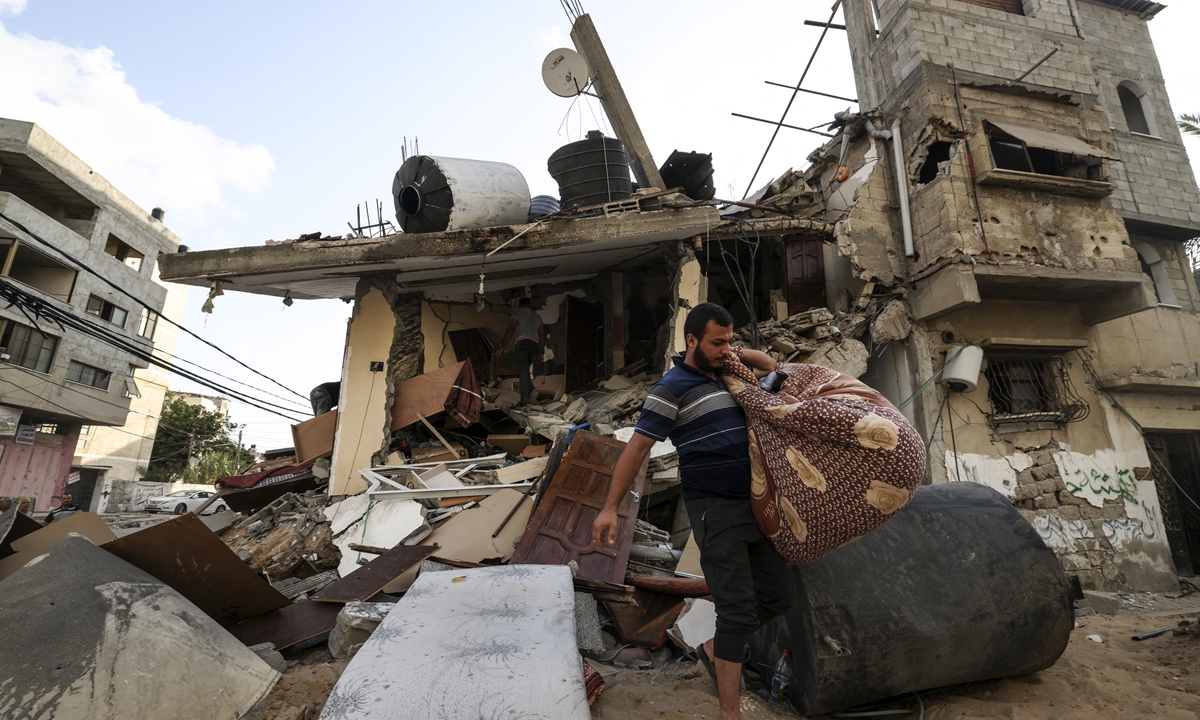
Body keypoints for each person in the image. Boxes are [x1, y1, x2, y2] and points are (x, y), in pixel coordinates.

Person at [592, 303, 790, 720]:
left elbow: (772, 365)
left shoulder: (727, 373)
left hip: (757, 505)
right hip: (714, 509)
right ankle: (730, 713)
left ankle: (715, 651)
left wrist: (733, 353)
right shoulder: (671, 388)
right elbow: (638, 449)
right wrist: (609, 508)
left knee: (777, 596)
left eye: (729, 341)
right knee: (736, 609)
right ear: (691, 341)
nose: (725, 349)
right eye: (716, 342)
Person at [496, 297, 546, 405]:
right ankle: (532, 391)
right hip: (534, 346)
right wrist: (541, 353)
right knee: (524, 371)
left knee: (522, 372)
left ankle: (524, 402)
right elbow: (542, 335)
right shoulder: (538, 316)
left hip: (523, 344)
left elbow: (512, 328)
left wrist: (502, 345)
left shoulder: (517, 313)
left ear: (519, 305)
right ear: (529, 305)